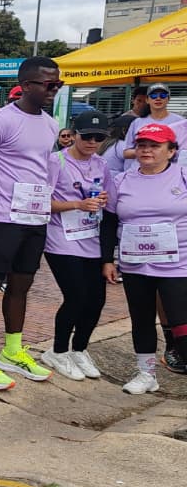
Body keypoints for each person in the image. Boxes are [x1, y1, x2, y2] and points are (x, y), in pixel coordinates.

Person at [0, 57, 61, 389]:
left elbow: (44, 166)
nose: (54, 90)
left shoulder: (50, 123)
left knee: (22, 284)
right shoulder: (0, 122)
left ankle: (12, 351)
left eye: (57, 84)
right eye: (49, 85)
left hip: (34, 217)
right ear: (29, 84)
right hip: (1, 216)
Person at [101, 122, 187, 393]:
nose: (147, 150)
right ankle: (146, 373)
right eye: (142, 145)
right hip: (135, 263)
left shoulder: (183, 176)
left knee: (180, 320)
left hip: (177, 264)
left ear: (171, 151)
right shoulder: (121, 181)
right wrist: (107, 260)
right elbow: (108, 221)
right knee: (141, 318)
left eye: (155, 145)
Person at [38, 111, 111, 381]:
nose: (92, 142)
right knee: (76, 296)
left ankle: (79, 348)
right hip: (61, 240)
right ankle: (57, 351)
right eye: (87, 136)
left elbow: (109, 199)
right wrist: (76, 204)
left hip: (90, 238)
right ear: (74, 134)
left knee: (97, 300)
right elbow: (42, 201)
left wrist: (101, 199)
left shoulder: (101, 165)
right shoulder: (56, 161)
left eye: (99, 137)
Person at [120, 82, 186, 169]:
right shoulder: (137, 122)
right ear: (147, 100)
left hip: (169, 174)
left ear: (168, 99)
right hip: (140, 171)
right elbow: (126, 153)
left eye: (162, 95)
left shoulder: (181, 122)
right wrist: (147, 152)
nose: (158, 98)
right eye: (153, 96)